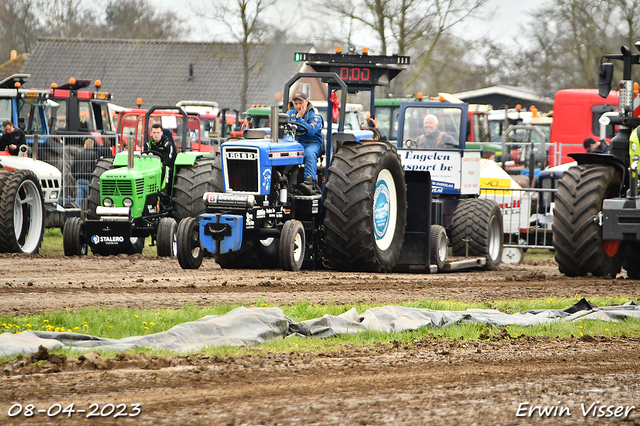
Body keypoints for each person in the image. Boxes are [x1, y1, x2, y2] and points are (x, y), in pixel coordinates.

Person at [287, 92, 323, 195]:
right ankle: (286, 181)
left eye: (301, 103)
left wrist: (299, 118)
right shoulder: (290, 113)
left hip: (312, 143)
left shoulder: (314, 114)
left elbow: (311, 131)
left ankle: (309, 182)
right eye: (296, 103)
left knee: (309, 153)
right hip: (296, 143)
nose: (298, 106)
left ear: (306, 102)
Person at [144, 123, 177, 194]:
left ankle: (163, 190)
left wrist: (160, 165)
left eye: (158, 133)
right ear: (151, 133)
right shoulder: (148, 144)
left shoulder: (167, 144)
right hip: (149, 166)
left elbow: (169, 159)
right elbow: (144, 156)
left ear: (161, 133)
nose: (156, 135)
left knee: (165, 169)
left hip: (162, 165)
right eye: (154, 133)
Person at [72, 139, 98, 205]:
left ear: (85, 145)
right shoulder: (94, 155)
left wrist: (75, 176)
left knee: (79, 198)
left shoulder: (79, 154)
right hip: (89, 179)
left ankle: (76, 211)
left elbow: (73, 167)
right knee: (90, 199)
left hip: (79, 179)